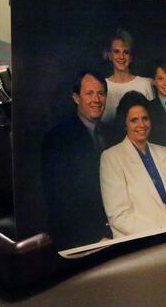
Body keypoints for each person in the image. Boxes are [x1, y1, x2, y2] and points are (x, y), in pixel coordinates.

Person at [100, 91, 166, 238]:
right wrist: (163, 232)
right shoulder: (111, 158)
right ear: (124, 123)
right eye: (134, 120)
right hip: (143, 241)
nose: (141, 125)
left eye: (145, 118)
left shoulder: (164, 152)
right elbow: (118, 216)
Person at [40, 71, 112, 249]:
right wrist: (94, 237)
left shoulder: (111, 133)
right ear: (76, 98)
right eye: (89, 93)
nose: (96, 99)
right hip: (78, 238)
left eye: (101, 93)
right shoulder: (58, 138)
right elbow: (60, 200)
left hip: (111, 232)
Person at [101, 29, 154, 124]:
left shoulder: (145, 84)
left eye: (126, 52)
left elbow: (152, 119)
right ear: (109, 55)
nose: (121, 57)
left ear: (131, 57)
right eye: (116, 51)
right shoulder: (102, 86)